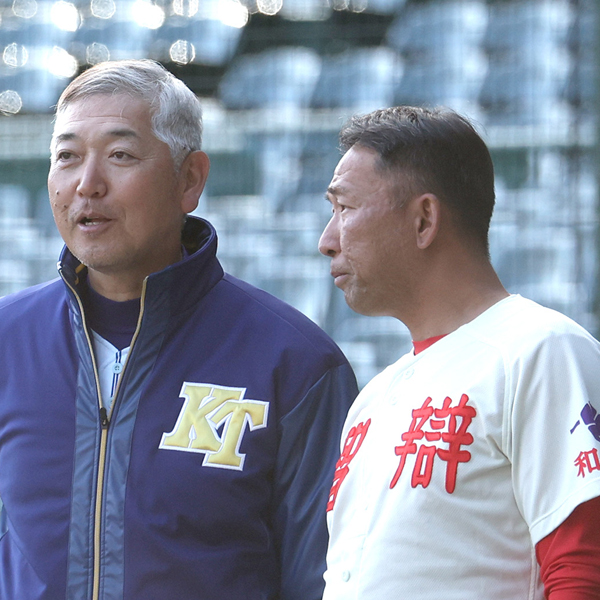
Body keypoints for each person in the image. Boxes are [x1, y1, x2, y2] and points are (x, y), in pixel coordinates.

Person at [0, 59, 358, 600]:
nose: (87, 184)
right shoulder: (8, 341)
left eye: (120, 156)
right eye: (67, 157)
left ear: (190, 179)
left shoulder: (296, 364)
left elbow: (322, 582)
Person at [318, 105, 600, 599]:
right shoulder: (373, 397)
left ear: (424, 219)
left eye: (345, 208)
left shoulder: (543, 350)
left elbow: (583, 568)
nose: (327, 240)